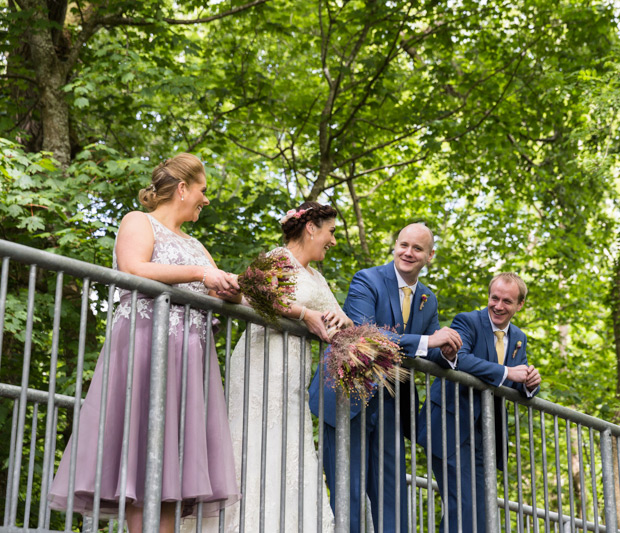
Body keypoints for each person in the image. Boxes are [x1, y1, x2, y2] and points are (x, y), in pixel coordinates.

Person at [49, 153, 241, 533]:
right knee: (142, 462)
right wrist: (204, 274)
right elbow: (134, 266)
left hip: (188, 366)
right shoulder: (139, 222)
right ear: (183, 188)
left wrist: (242, 290)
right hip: (145, 351)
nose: (206, 199)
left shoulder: (197, 245)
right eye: (203, 191)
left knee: (173, 473)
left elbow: (225, 291)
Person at [191, 201, 352, 533]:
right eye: (331, 232)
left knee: (292, 446)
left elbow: (337, 321)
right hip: (261, 364)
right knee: (252, 440)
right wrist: (302, 314)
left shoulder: (317, 279)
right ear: (311, 228)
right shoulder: (275, 260)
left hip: (294, 374)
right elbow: (244, 295)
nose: (333, 240)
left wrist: (345, 323)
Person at [309, 223, 462, 533]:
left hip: (392, 403)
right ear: (395, 246)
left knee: (392, 494)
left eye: (417, 248)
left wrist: (446, 351)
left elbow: (425, 350)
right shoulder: (367, 279)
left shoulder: (428, 299)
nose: (408, 252)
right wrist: (429, 340)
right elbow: (365, 333)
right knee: (347, 492)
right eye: (403, 244)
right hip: (349, 395)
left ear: (429, 256)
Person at [418, 272, 541, 533]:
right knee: (462, 507)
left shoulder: (519, 337)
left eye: (507, 301)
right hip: (450, 426)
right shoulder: (468, 321)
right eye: (494, 298)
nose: (498, 305)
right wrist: (507, 372)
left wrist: (530, 383)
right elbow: (458, 358)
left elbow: (518, 380)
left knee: (483, 514)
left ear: (519, 305)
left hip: (485, 437)